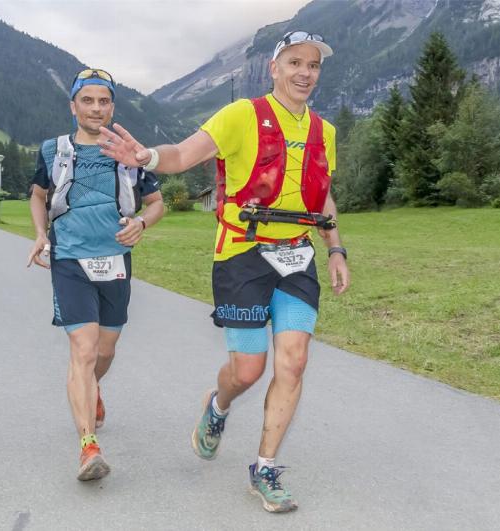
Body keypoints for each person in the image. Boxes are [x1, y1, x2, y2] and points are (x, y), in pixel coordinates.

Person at [99, 30, 349, 513]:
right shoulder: (241, 116)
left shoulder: (325, 131)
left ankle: (266, 467)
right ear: (274, 68)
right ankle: (218, 406)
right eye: (295, 62)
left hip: (297, 254)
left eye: (313, 65)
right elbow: (183, 154)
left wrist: (336, 248)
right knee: (249, 369)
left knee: (293, 362)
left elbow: (323, 196)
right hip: (243, 255)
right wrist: (147, 157)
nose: (304, 73)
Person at [27, 68, 164, 481]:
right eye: (87, 100)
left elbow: (156, 203)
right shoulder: (53, 150)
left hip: (115, 261)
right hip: (69, 260)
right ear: (73, 106)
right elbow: (37, 195)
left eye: (103, 101)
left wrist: (142, 222)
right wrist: (38, 235)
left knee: (104, 352)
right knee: (83, 351)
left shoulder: (130, 152)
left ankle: (92, 388)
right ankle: (88, 446)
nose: (96, 108)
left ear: (112, 107)